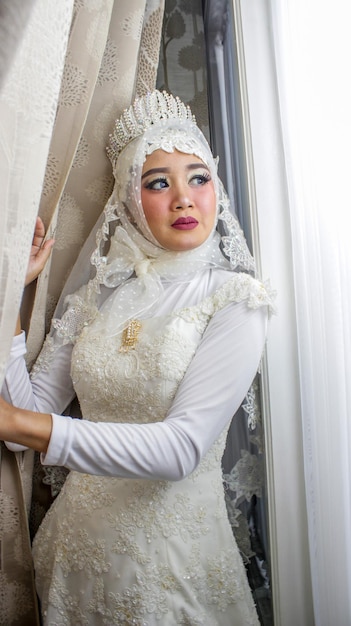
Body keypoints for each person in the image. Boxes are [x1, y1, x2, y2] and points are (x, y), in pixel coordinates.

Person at [0, 90, 273, 625]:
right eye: (157, 182)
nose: (183, 199)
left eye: (198, 177)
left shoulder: (237, 299)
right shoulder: (98, 294)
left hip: (172, 567)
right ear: (127, 200)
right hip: (76, 554)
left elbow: (179, 452)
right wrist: (13, 294)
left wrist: (17, 421)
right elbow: (19, 425)